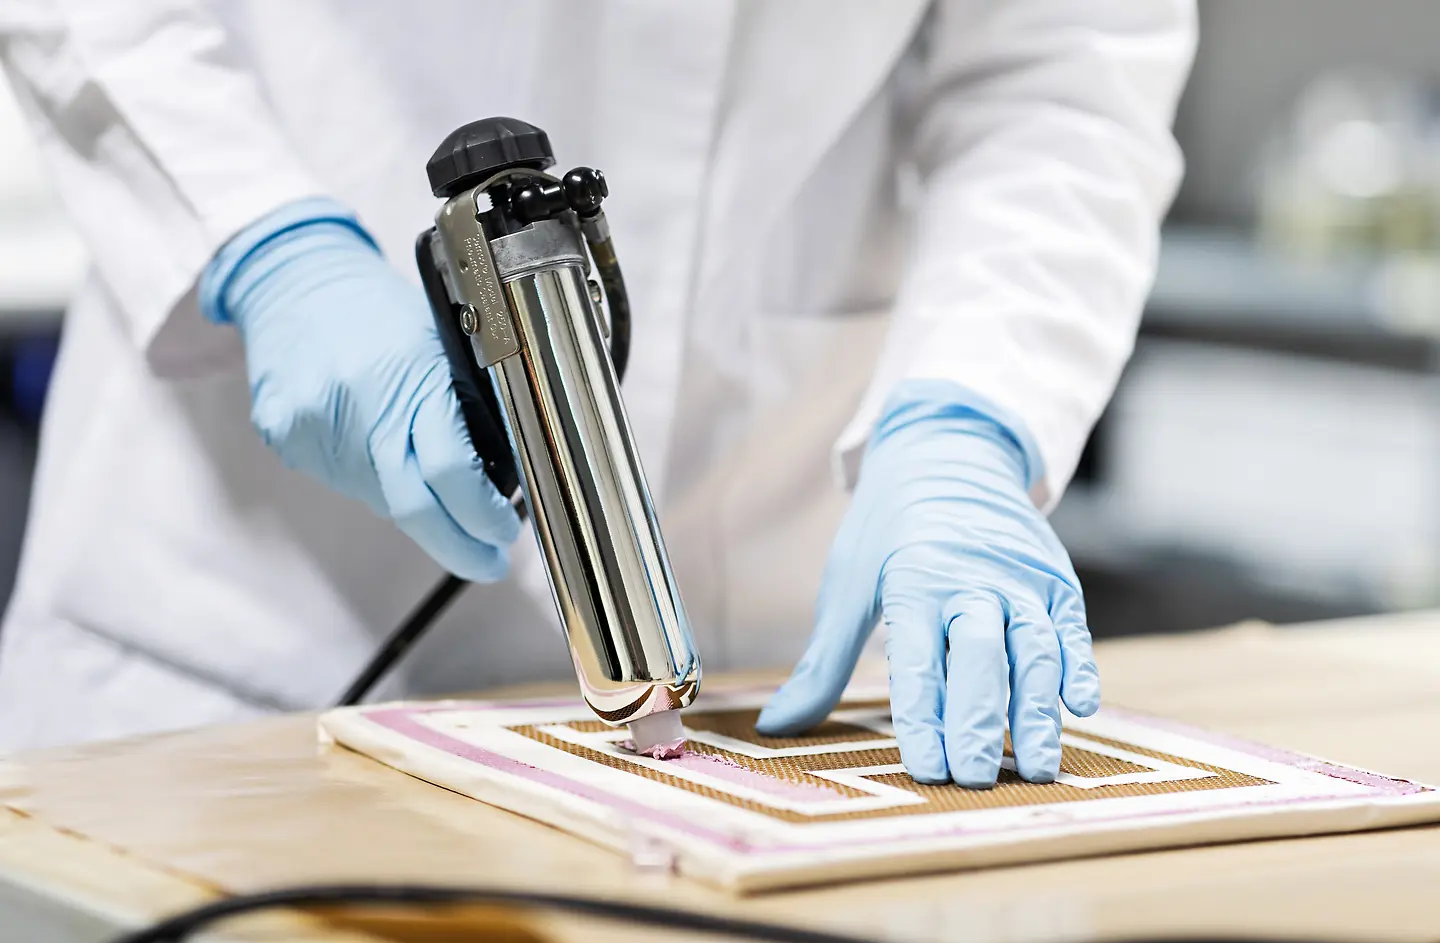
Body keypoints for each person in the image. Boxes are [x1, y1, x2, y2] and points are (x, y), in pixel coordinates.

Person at [0, 1, 1194, 788]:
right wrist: (267, 245)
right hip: (241, 637)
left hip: (764, 639)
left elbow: (1061, 75)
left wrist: (965, 414)